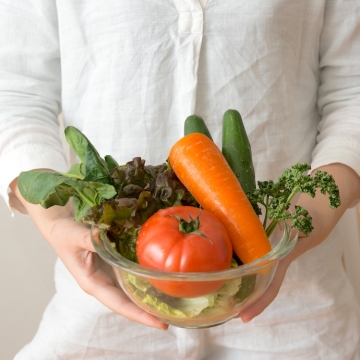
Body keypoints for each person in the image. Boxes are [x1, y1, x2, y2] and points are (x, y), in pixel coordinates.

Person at [1, 1, 360, 359]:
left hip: (300, 316)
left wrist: (306, 218)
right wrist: (55, 224)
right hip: (101, 305)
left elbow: (352, 93)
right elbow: (16, 93)